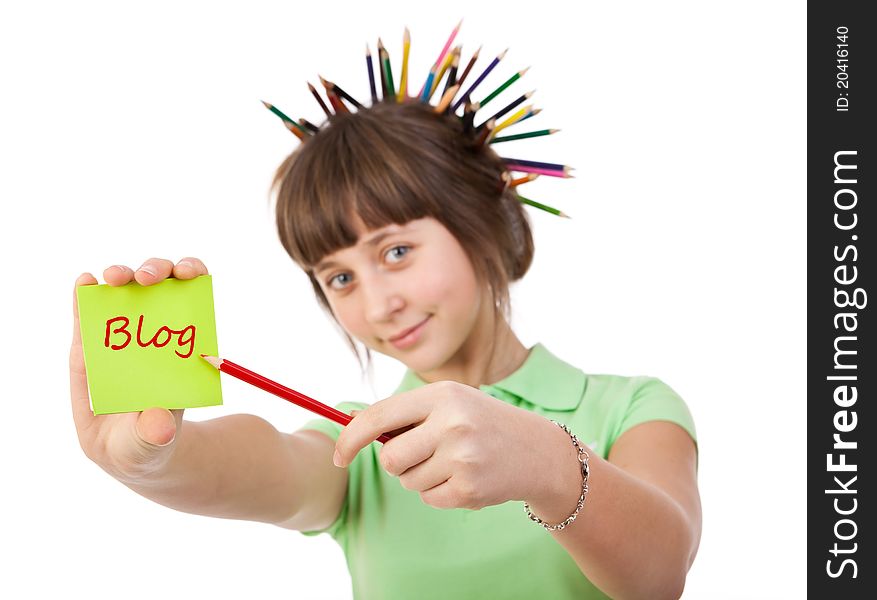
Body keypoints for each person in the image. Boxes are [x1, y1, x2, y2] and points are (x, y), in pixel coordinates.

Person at [70, 71, 700, 600]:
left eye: (396, 251)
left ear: (481, 223)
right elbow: (267, 464)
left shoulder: (634, 408)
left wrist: (547, 463)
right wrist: (155, 460)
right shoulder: (361, 442)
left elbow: (661, 574)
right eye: (339, 277)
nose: (379, 303)